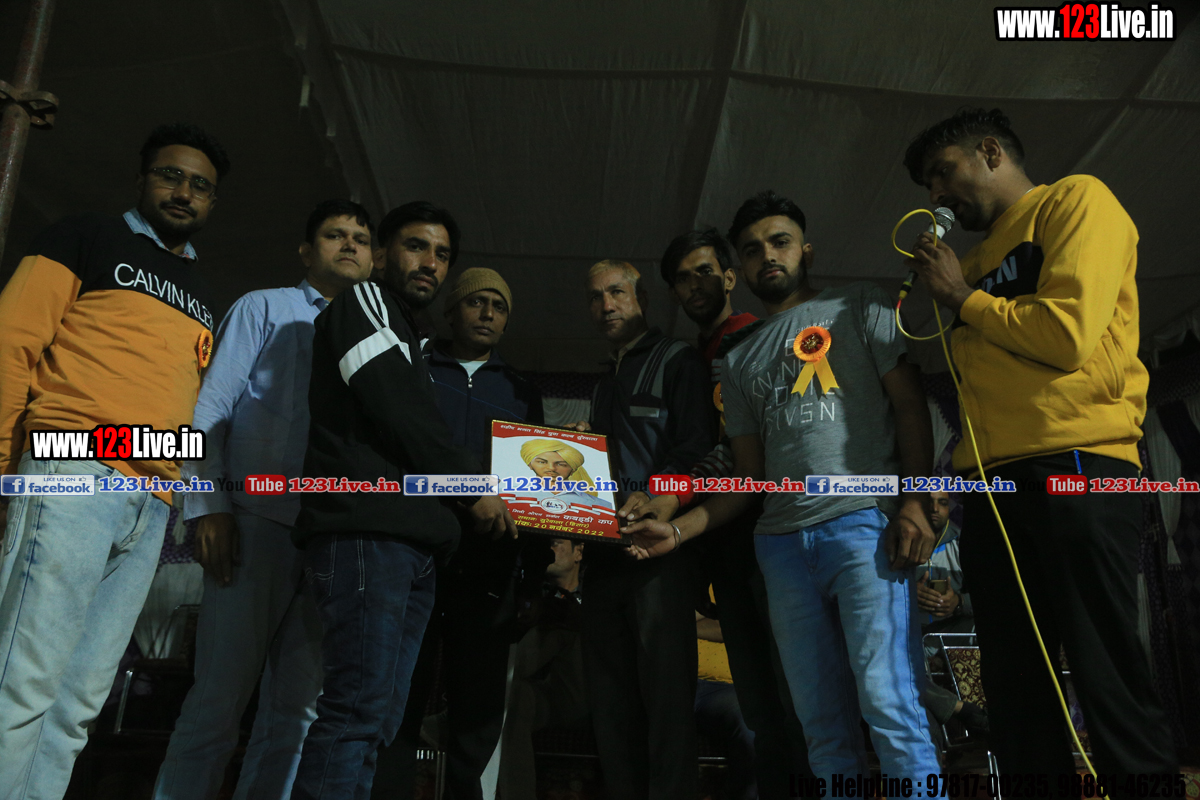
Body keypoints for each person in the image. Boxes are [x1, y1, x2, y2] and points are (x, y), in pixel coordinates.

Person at [622, 191, 941, 782]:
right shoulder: (740, 359)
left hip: (863, 525)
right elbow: (748, 477)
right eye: (752, 250)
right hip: (780, 548)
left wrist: (917, 503)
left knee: (890, 705)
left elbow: (910, 407)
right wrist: (678, 529)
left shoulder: (861, 304)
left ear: (806, 250)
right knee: (820, 726)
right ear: (740, 270)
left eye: (780, 242)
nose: (767, 255)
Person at [902, 107, 1176, 784]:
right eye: (928, 185)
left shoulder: (1075, 201)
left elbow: (1067, 335)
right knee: (1016, 687)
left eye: (944, 172)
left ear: (991, 152)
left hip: (1079, 462)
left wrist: (963, 297)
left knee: (1105, 670)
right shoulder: (969, 262)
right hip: (993, 485)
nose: (936, 193)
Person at [0, 122, 228, 800]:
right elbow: (10, 344)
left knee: (77, 706)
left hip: (150, 506)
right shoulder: (84, 236)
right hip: (73, 464)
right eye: (170, 175)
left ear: (212, 201)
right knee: (23, 681)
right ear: (141, 179)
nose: (183, 192)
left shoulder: (202, 297)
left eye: (200, 185)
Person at [290, 202, 516, 800]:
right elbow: (398, 406)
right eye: (417, 246)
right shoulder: (364, 302)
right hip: (369, 533)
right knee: (355, 712)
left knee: (381, 721)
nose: (431, 263)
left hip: (412, 545)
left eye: (442, 254)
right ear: (381, 254)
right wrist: (473, 488)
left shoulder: (409, 334)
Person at [152, 200, 374, 800]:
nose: (349, 245)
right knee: (217, 703)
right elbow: (210, 410)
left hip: (327, 538)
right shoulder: (264, 307)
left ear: (374, 259)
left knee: (295, 717)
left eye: (360, 239)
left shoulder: (375, 338)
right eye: (334, 235)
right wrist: (210, 507)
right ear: (306, 251)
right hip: (253, 525)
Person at [625, 228, 810, 799]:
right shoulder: (690, 357)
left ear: (730, 277)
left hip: (766, 538)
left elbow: (738, 449)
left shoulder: (752, 339)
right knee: (759, 704)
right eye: (683, 278)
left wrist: (671, 494)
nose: (695, 285)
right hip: (718, 542)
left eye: (705, 271)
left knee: (792, 698)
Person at [372, 267, 544, 800]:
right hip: (415, 558)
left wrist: (530, 580)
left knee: (478, 708)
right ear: (451, 311)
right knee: (400, 697)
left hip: (490, 569)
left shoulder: (521, 391)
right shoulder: (415, 366)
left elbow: (534, 493)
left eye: (499, 305)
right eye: (476, 302)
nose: (488, 313)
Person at [571, 259, 716, 800]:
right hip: (603, 557)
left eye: (616, 292)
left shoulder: (677, 360)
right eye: (594, 297)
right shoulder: (606, 377)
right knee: (611, 707)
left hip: (659, 560)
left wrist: (660, 496)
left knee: (666, 706)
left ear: (643, 299)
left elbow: (698, 447)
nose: (605, 305)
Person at [497, 537, 588, 800]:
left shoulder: (597, 593)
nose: (549, 549)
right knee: (517, 698)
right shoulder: (531, 593)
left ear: (578, 552)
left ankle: (464, 709)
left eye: (557, 542)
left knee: (564, 628)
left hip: (586, 693)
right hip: (541, 692)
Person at [695, 597, 756, 800]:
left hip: (725, 690)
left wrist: (683, 625)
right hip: (672, 682)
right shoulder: (680, 582)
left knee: (749, 723)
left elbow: (732, 627)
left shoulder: (729, 584)